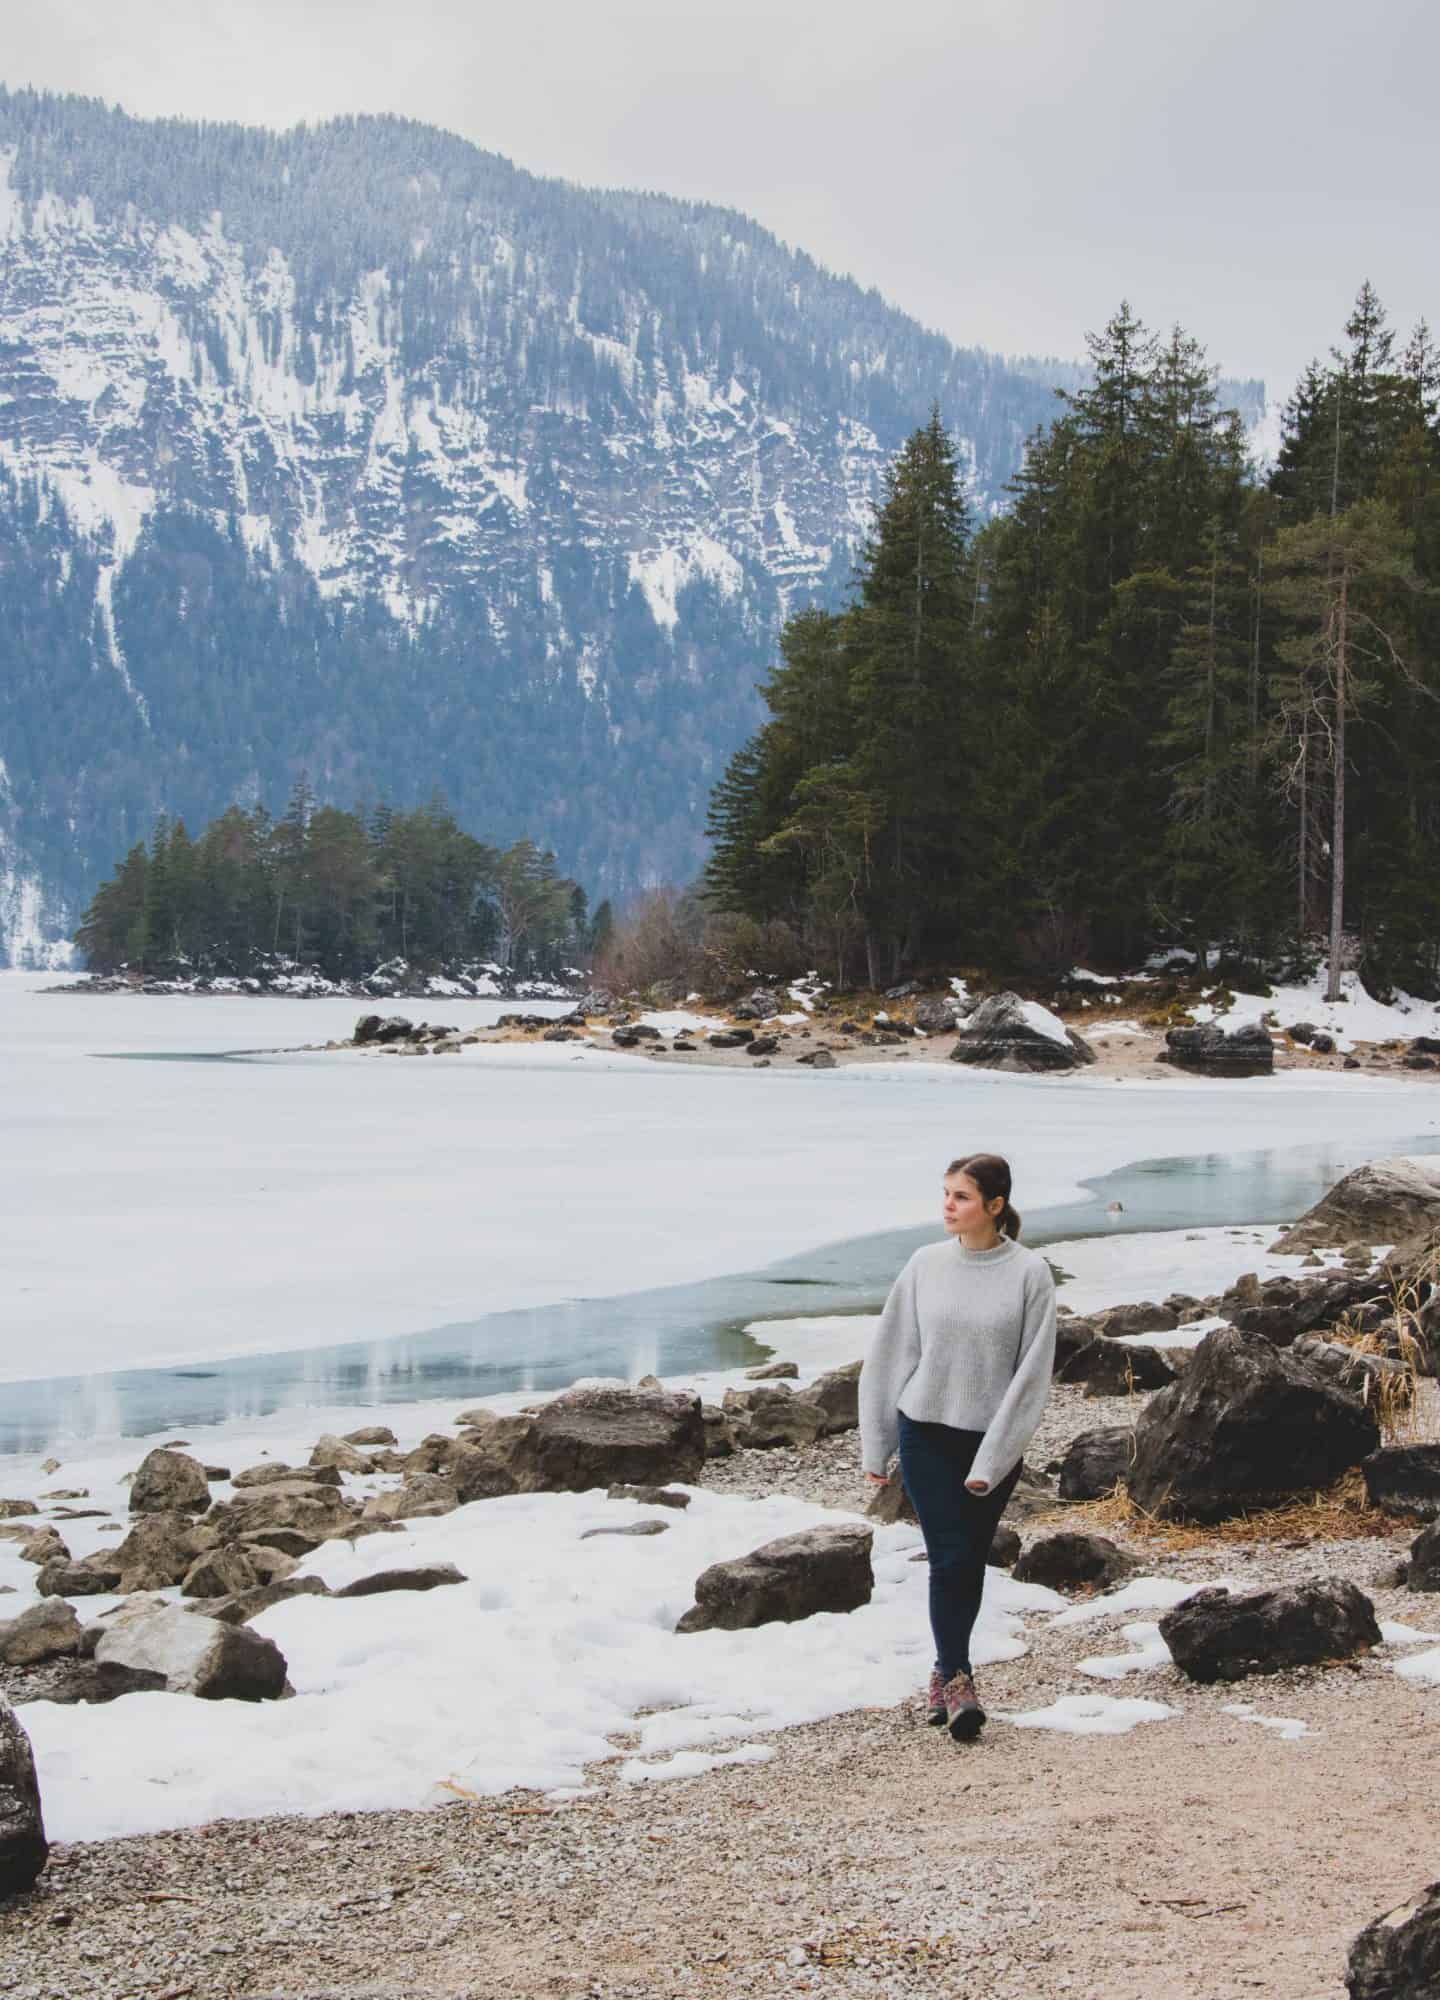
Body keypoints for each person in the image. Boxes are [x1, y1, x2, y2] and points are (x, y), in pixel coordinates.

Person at [859, 1152, 1055, 1743]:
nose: (948, 1206)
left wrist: (993, 1460)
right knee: (948, 1556)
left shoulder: (1030, 1274)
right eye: (946, 1194)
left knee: (966, 1560)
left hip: (989, 1443)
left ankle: (943, 1672)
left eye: (962, 1197)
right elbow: (892, 1353)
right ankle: (961, 1680)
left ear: (995, 1206)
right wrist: (878, 1448)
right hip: (925, 1432)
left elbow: (1031, 1379)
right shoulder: (924, 1265)